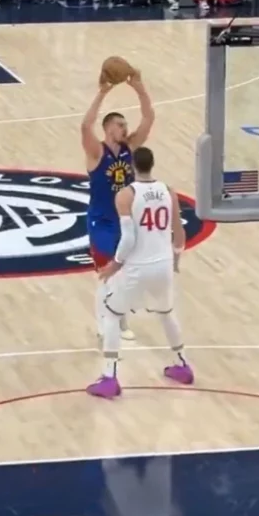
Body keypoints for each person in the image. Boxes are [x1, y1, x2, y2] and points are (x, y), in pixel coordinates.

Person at [88, 147, 191, 399]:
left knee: (112, 314)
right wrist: (176, 258)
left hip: (138, 265)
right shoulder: (168, 191)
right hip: (163, 263)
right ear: (152, 164)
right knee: (166, 313)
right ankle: (182, 364)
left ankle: (109, 377)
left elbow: (129, 238)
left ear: (133, 166)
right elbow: (179, 232)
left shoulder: (126, 195)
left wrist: (115, 264)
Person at [80, 69, 155, 346]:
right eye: (120, 124)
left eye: (125, 125)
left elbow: (148, 118)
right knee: (108, 273)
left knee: (125, 275)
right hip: (101, 221)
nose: (125, 128)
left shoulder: (130, 149)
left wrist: (140, 87)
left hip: (126, 221)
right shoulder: (96, 152)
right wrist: (102, 92)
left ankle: (120, 319)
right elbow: (85, 126)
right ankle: (103, 324)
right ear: (109, 128)